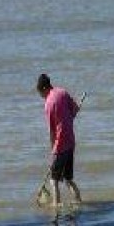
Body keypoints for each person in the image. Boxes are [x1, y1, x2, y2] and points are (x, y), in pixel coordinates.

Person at [36, 73, 83, 207]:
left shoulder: (48, 104)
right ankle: (78, 201)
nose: (41, 97)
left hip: (61, 145)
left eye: (41, 93)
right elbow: (74, 110)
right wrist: (74, 111)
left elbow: (52, 131)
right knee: (68, 179)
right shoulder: (63, 92)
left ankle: (56, 205)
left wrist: (53, 152)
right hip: (70, 141)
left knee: (53, 180)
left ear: (44, 88)